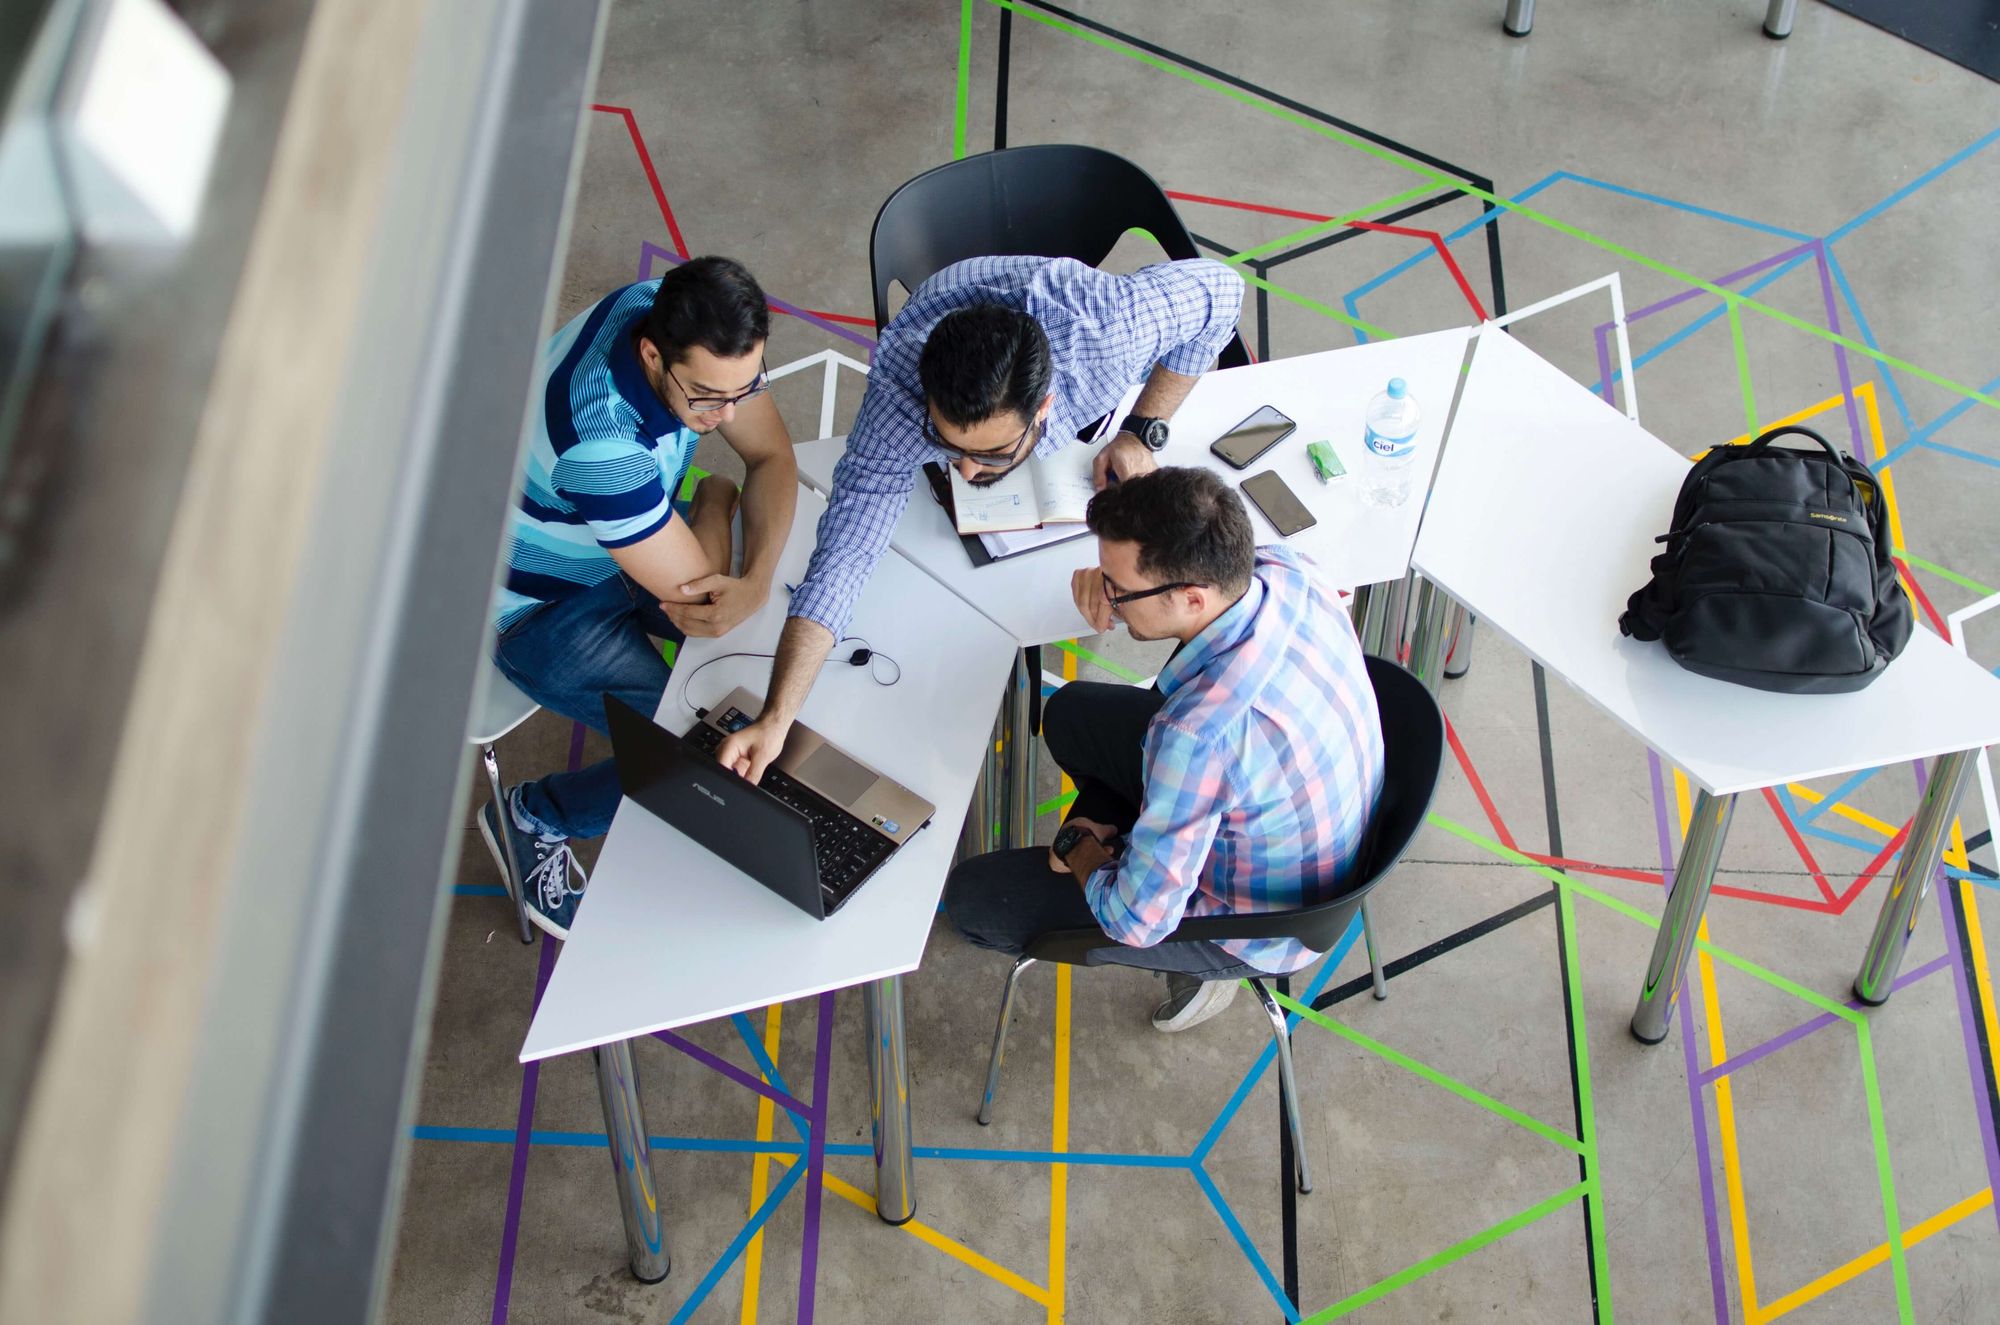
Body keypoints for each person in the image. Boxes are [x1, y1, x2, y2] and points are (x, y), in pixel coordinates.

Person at [714, 255, 1245, 784]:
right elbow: (844, 554)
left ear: (1045, 408)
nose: (966, 472)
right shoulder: (900, 391)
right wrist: (777, 716)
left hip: (1069, 315)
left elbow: (1224, 292)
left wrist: (1142, 427)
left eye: (991, 455)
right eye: (947, 445)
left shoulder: (1108, 332)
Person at [943, 468, 1385, 1032]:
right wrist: (1106, 579)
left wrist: (1080, 844)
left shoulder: (1197, 735)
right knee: (1072, 713)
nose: (1108, 597)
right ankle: (1140, 842)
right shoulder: (1287, 571)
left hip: (1256, 923)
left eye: (1117, 590)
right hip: (1312, 826)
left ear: (1191, 597)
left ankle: (1200, 971)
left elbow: (1135, 920)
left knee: (974, 898)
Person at [480, 256, 797, 938]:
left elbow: (772, 457)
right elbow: (708, 602)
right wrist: (715, 502)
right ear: (653, 354)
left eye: (747, 389)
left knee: (756, 646)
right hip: (538, 608)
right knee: (688, 750)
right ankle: (536, 815)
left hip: (619, 540)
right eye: (708, 398)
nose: (729, 414)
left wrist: (758, 578)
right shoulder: (601, 446)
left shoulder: (675, 312)